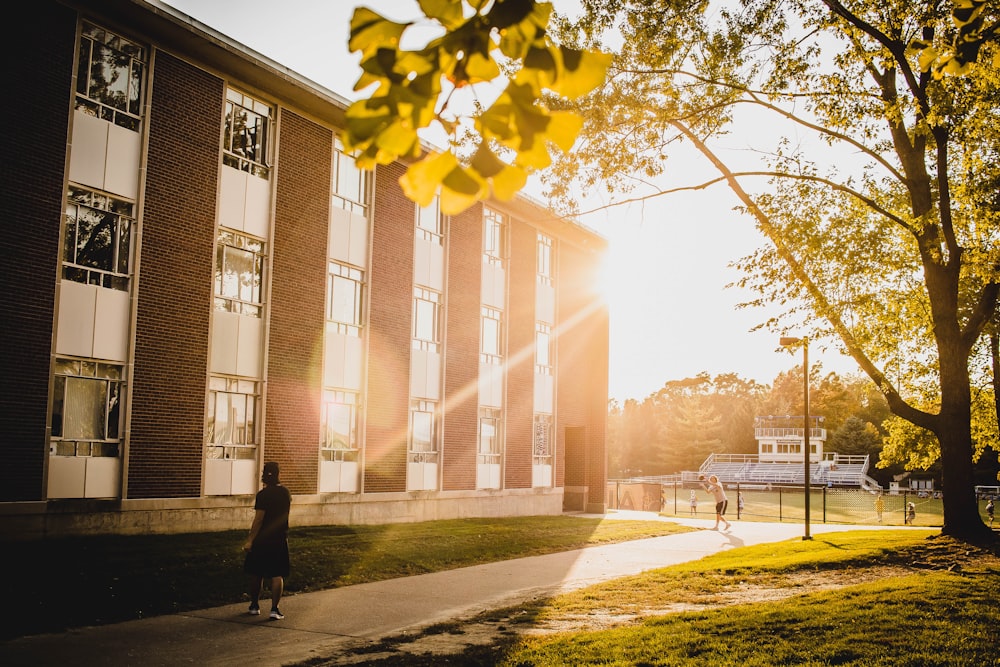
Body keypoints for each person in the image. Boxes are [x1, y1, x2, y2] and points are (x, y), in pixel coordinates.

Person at [244, 461, 292, 620]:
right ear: (279, 474)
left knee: (256, 572)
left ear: (264, 475)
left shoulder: (262, 495)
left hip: (262, 540)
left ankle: (254, 606)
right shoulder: (285, 493)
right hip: (279, 538)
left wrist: (250, 539)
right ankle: (274, 609)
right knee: (277, 574)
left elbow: (258, 520)